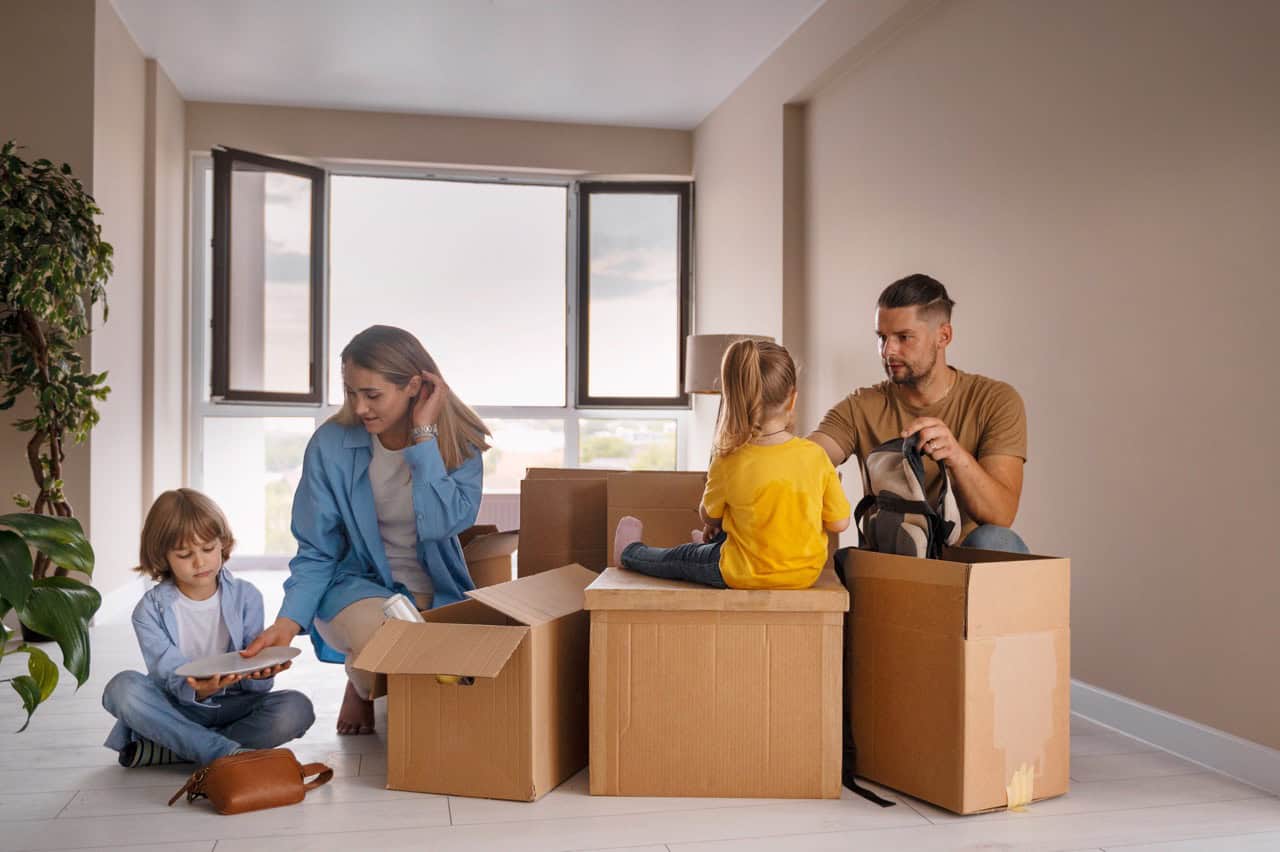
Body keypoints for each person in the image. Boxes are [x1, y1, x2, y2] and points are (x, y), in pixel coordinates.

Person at [242, 325, 490, 735]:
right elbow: (317, 550)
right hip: (354, 589)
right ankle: (363, 680)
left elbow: (447, 524)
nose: (359, 407)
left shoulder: (461, 445)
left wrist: (423, 439)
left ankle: (369, 678)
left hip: (433, 590)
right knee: (395, 642)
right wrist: (288, 621)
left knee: (449, 671)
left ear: (413, 386)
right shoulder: (330, 446)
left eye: (372, 395)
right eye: (351, 392)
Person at [808, 274, 1030, 552]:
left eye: (904, 337)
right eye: (882, 337)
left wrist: (956, 456)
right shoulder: (861, 406)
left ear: (943, 336)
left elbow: (1001, 515)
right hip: (894, 555)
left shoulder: (995, 400)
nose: (888, 350)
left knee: (997, 541)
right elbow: (806, 458)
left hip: (963, 561)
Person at [613, 339, 850, 589]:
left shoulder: (729, 458)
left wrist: (713, 522)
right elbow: (838, 523)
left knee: (682, 557)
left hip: (740, 572)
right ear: (792, 399)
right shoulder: (816, 456)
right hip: (804, 574)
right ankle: (718, 546)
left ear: (735, 398)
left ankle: (630, 553)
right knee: (748, 517)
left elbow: (710, 515)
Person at [102, 489, 314, 768]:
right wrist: (200, 690)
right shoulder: (148, 611)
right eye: (184, 554)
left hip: (235, 706)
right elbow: (167, 674)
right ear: (163, 556)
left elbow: (256, 685)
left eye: (208, 549)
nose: (200, 562)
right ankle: (222, 754)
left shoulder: (247, 597)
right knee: (122, 688)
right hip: (178, 709)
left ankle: (180, 749)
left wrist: (262, 672)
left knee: (296, 708)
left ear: (222, 545)